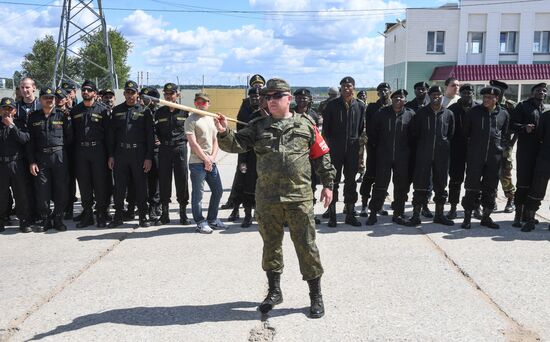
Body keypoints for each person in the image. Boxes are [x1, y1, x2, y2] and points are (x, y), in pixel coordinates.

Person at [215, 78, 336, 319]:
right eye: (268, 97)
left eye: (276, 96)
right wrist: (223, 132)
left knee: (307, 246)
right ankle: (274, 291)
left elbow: (321, 155)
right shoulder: (258, 125)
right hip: (268, 198)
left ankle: (315, 296)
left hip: (299, 197)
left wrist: (328, 184)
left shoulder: (305, 124)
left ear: (288, 98)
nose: (270, 101)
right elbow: (237, 144)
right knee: (271, 246)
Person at [107, 80, 155, 228]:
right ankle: (118, 217)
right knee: (119, 187)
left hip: (138, 153)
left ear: (137, 94)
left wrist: (148, 157)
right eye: (127, 92)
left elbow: (149, 136)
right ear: (124, 94)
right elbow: (111, 135)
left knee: (140, 186)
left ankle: (142, 216)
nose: (129, 95)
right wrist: (111, 155)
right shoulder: (117, 110)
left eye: (132, 92)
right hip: (121, 153)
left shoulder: (144, 111)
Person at [461, 86, 509, 229]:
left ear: (497, 99)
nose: (486, 100)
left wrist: (501, 148)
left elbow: (505, 135)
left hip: (494, 158)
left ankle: (486, 217)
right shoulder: (473, 112)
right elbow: (466, 133)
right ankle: (467, 217)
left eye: (490, 98)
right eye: (485, 97)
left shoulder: (504, 114)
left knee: (491, 188)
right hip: (476, 157)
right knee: (471, 187)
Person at [27, 87, 73, 232]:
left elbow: (70, 137)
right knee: (42, 189)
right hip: (41, 158)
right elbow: (30, 142)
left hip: (59, 156)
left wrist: (60, 149)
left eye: (52, 97)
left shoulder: (63, 115)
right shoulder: (34, 117)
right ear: (40, 100)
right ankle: (46, 219)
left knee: (61, 188)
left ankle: (58, 218)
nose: (50, 100)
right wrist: (32, 161)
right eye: (46, 97)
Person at [407, 86, 454, 226]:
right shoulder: (421, 113)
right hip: (423, 154)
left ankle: (439, 215)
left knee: (440, 185)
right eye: (433, 94)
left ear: (442, 96)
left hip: (442, 156)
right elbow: (414, 133)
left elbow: (450, 134)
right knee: (420, 185)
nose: (436, 97)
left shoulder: (449, 114)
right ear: (429, 96)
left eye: (439, 94)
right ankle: (416, 215)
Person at [366, 89, 415, 226]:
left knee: (401, 187)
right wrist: (379, 148)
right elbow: (372, 132)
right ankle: (373, 213)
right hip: (384, 156)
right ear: (391, 99)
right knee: (380, 185)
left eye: (401, 97)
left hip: (402, 157)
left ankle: (398, 213)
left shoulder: (410, 115)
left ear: (405, 100)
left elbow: (414, 136)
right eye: (396, 97)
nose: (398, 99)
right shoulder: (382, 114)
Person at [322, 76, 365, 227]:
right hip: (335, 148)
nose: (347, 88)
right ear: (340, 88)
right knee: (333, 180)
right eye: (344, 86)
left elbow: (360, 128)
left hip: (352, 149)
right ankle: (332, 214)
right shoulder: (332, 105)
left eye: (349, 86)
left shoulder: (360, 106)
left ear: (354, 88)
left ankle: (350, 213)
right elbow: (326, 130)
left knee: (351, 181)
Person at [222, 74, 266, 211]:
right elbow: (241, 124)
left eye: (260, 85)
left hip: (261, 146)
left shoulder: (266, 102)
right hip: (246, 146)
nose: (257, 87)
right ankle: (234, 201)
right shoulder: (246, 103)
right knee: (242, 172)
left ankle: (256, 203)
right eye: (255, 85)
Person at [70, 80, 110, 228]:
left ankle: (100, 214)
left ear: (94, 92)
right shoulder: (75, 111)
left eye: (88, 90)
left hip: (98, 151)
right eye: (83, 90)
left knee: (100, 184)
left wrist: (110, 155)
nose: (85, 92)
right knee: (84, 184)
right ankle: (87, 215)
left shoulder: (103, 110)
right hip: (81, 152)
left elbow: (109, 135)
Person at [184, 92, 225, 233]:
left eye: (204, 102)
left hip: (211, 162)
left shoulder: (212, 119)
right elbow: (193, 143)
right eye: (198, 102)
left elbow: (215, 140)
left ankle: (212, 219)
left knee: (218, 191)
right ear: (195, 103)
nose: (201, 104)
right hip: (197, 163)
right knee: (198, 194)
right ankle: (200, 222)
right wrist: (205, 159)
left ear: (208, 104)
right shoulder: (191, 120)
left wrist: (212, 158)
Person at [510, 83, 547, 228]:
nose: (541, 92)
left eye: (544, 91)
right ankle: (517, 216)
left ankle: (527, 214)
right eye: (538, 90)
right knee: (523, 183)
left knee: (534, 184)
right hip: (525, 152)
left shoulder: (544, 110)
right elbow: (512, 125)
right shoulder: (523, 106)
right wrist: (524, 128)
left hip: (540, 153)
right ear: (532, 93)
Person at [155, 82, 191, 225]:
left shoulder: (185, 111)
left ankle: (183, 213)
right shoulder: (160, 112)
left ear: (178, 95)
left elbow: (191, 129)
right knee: (164, 180)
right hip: (164, 149)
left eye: (171, 93)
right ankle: (164, 213)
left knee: (182, 179)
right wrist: (156, 139)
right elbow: (154, 130)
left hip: (180, 148)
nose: (168, 96)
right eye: (166, 94)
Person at [359, 82, 391, 217]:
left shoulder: (394, 106)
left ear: (390, 91)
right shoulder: (372, 107)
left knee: (383, 178)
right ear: (377, 93)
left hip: (388, 149)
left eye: (386, 90)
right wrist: (371, 144)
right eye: (380, 91)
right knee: (369, 176)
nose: (383, 92)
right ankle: (364, 205)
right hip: (374, 148)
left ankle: (380, 204)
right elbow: (369, 127)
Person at [0, 97, 31, 233]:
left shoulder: (20, 123)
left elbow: (24, 139)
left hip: (17, 163)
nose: (7, 111)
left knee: (21, 194)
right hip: (1, 164)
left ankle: (24, 221)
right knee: (2, 195)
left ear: (14, 110)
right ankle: (1, 219)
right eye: (4, 108)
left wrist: (12, 126)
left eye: (10, 108)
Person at [446, 84, 477, 219]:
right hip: (456, 150)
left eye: (469, 93)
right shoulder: (453, 109)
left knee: (475, 180)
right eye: (464, 93)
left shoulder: (478, 109)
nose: (467, 95)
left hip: (475, 150)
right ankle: (453, 207)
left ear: (472, 94)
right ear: (461, 94)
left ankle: (476, 207)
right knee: (455, 180)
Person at [490, 80, 517, 213]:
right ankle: (492, 200)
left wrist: (512, 143)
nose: (495, 92)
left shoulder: (510, 106)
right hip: (492, 145)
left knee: (505, 173)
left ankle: (510, 200)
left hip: (505, 145)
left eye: (498, 90)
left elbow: (516, 126)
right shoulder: (489, 103)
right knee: (491, 173)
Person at [522, 105, 550, 232]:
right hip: (545, 158)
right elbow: (539, 136)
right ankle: (530, 220)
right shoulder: (546, 115)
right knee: (537, 190)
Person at [140, 87, 162, 223]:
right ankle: (140, 205)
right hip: (141, 150)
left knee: (155, 180)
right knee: (142, 179)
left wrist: (161, 139)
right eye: (143, 98)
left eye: (147, 99)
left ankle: (155, 206)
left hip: (156, 150)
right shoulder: (140, 112)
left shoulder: (159, 113)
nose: (144, 101)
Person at [356, 90, 368, 183]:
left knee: (371, 155)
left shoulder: (370, 107)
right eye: (361, 95)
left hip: (369, 135)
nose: (363, 97)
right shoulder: (357, 107)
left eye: (364, 95)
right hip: (360, 135)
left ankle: (370, 174)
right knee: (360, 156)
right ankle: (361, 174)